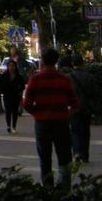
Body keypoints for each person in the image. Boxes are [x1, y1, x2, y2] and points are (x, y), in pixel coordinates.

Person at [22, 47, 79, 189]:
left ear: (42, 61)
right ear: (56, 61)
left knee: (45, 158)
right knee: (64, 156)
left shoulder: (35, 80)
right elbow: (75, 103)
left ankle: (47, 187)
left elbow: (27, 103)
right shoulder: (64, 80)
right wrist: (67, 114)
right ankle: (64, 186)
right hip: (61, 123)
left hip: (42, 124)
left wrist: (38, 114)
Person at [68, 54, 97, 163]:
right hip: (86, 108)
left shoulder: (68, 77)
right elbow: (94, 93)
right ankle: (85, 155)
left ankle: (76, 152)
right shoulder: (89, 77)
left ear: (72, 64)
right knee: (85, 131)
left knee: (74, 130)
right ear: (82, 63)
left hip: (73, 108)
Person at [0, 58, 26, 134]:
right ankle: (8, 126)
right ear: (7, 67)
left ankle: (14, 126)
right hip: (7, 96)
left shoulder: (19, 76)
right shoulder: (4, 76)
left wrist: (20, 91)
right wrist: (2, 92)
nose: (11, 67)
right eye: (10, 66)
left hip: (15, 96)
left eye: (13, 66)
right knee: (8, 111)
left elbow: (22, 86)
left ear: (15, 67)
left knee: (15, 112)